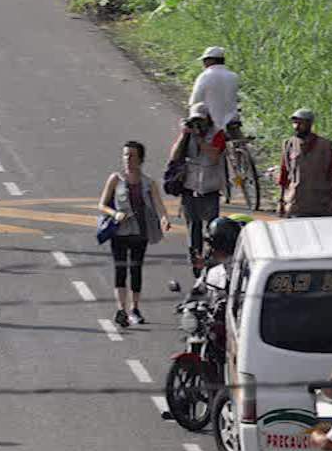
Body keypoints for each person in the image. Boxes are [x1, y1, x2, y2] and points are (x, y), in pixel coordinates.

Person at [97, 140, 167, 328]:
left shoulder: (148, 183)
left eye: (132, 155)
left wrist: (164, 219)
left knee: (136, 269)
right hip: (119, 232)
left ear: (141, 159)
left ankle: (134, 308)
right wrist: (115, 214)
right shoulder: (115, 179)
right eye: (125, 155)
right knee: (120, 270)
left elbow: (159, 206)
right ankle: (121, 309)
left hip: (139, 232)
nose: (128, 159)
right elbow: (102, 205)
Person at [167, 104, 227, 273]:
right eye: (195, 121)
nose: (198, 125)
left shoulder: (217, 134)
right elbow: (174, 157)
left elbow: (214, 155)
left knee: (211, 230)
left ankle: (210, 264)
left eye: (201, 121)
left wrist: (200, 140)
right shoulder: (188, 135)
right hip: (189, 187)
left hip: (210, 189)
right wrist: (184, 135)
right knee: (193, 228)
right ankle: (196, 263)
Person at [279, 108, 332, 217]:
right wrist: (281, 201)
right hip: (296, 204)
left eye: (300, 123)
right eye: (294, 123)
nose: (296, 127)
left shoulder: (325, 146)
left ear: (309, 124)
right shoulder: (289, 144)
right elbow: (284, 174)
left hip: (322, 205)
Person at [189, 46, 240, 135]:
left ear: (210, 61)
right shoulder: (234, 76)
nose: (203, 64)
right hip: (232, 119)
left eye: (204, 61)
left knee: (188, 132)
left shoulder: (205, 76)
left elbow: (195, 100)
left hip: (212, 121)